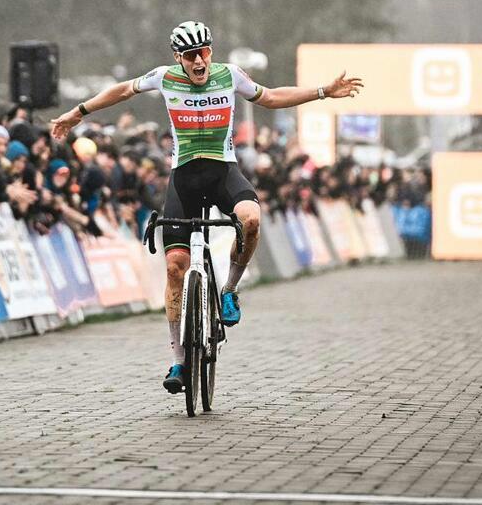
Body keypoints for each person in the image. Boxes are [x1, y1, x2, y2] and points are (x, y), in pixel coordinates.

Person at [49, 20, 363, 394]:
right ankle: (179, 360)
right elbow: (121, 91)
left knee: (250, 221)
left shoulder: (229, 75)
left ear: (211, 52)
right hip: (183, 178)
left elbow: (273, 97)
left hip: (222, 172)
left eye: (205, 53)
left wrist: (323, 92)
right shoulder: (164, 78)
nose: (199, 62)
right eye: (191, 56)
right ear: (178, 58)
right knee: (175, 268)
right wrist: (78, 112)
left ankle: (229, 288)